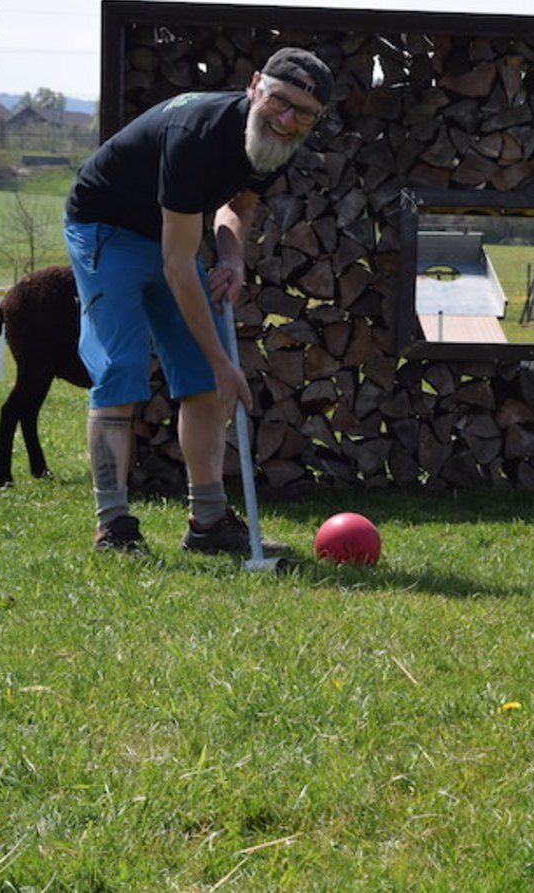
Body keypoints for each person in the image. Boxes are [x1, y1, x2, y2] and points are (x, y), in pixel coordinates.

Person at [63, 47, 333, 553]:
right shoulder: (197, 134)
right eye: (280, 100)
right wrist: (222, 361)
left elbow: (238, 204)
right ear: (255, 85)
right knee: (120, 367)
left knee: (205, 379)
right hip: (106, 229)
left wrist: (232, 258)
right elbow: (176, 265)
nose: (288, 118)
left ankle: (208, 523)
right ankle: (113, 526)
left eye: (305, 114)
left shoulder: (274, 142)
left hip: (169, 239)